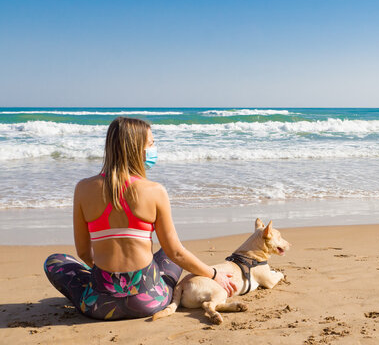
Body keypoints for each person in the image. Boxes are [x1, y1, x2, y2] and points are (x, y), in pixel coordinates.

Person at [44, 117, 236, 320]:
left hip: (99, 306)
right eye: (151, 144)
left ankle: (103, 287)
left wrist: (111, 279)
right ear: (136, 149)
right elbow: (176, 253)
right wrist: (214, 275)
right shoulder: (155, 191)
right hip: (150, 302)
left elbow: (83, 252)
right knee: (169, 254)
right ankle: (159, 286)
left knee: (54, 261)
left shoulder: (83, 189)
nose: (154, 148)